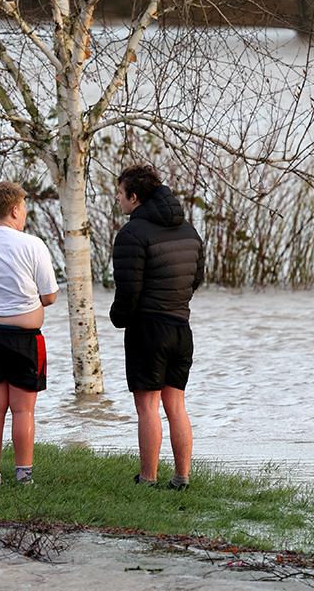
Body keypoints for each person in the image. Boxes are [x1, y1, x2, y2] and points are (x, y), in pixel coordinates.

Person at [109, 164, 204, 490]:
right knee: (176, 405)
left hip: (148, 330)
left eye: (120, 194)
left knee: (147, 406)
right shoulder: (190, 231)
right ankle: (181, 478)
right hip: (181, 327)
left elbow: (129, 291)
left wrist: (118, 317)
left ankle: (148, 478)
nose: (118, 200)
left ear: (134, 197)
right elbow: (196, 280)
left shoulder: (132, 234)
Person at [0, 181, 59, 486]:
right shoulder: (33, 245)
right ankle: (24, 475)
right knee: (22, 411)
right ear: (16, 209)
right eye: (25, 208)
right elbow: (50, 296)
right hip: (24, 340)